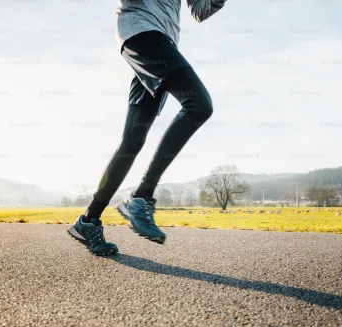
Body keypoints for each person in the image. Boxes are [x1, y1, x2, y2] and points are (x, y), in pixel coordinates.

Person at [68, 0, 228, 256]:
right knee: (198, 105)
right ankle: (142, 196)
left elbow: (200, 10)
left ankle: (88, 221)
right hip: (143, 36)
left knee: (132, 140)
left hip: (160, 44)